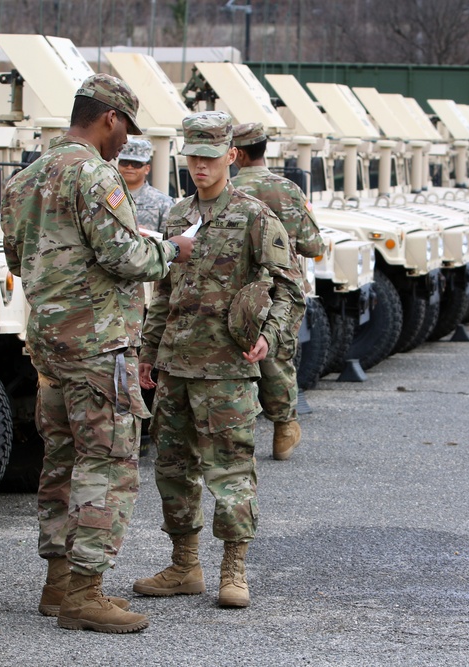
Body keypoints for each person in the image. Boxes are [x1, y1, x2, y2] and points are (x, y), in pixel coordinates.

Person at [0, 73, 194, 634]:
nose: (125, 142)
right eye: (125, 128)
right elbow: (124, 257)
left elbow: (17, 259)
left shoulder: (25, 178)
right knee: (107, 463)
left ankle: (57, 583)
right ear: (109, 118)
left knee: (61, 458)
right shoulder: (93, 174)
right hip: (97, 346)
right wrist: (172, 249)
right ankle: (86, 593)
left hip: (49, 344)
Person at [133, 112, 304, 608]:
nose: (200, 166)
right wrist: (149, 351)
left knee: (230, 470)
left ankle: (234, 568)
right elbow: (163, 292)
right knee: (172, 468)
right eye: (194, 157)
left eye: (210, 157)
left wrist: (270, 336)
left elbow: (291, 288)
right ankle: (185, 566)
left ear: (232, 155)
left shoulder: (254, 216)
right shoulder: (176, 216)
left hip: (227, 368)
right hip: (176, 366)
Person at [230, 122, 325, 460]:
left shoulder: (224, 189)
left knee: (234, 356)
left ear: (236, 153)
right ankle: (284, 428)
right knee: (277, 355)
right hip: (282, 285)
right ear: (264, 149)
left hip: (236, 287)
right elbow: (314, 245)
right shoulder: (289, 190)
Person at [117, 136, 175, 233]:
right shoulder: (106, 197)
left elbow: (170, 241)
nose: (129, 167)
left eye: (136, 164)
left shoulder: (163, 203)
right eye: (125, 162)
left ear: (147, 169)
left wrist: (149, 236)